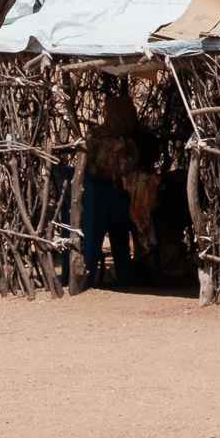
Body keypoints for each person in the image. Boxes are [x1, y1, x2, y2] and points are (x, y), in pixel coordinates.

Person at [73, 81, 144, 293]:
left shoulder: (93, 138)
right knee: (151, 206)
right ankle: (148, 263)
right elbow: (130, 180)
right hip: (116, 206)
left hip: (91, 203)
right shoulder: (124, 144)